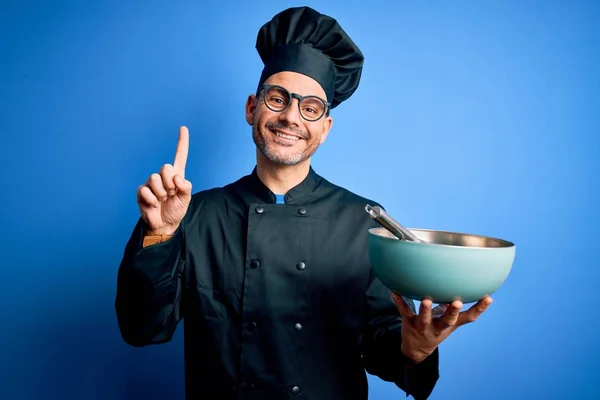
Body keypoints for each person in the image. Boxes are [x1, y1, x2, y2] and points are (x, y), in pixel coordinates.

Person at [115, 6, 493, 400]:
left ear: (324, 128)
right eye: (277, 98)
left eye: (310, 108)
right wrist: (159, 234)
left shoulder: (364, 222)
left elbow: (384, 345)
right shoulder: (194, 216)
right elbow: (143, 329)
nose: (291, 117)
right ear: (252, 108)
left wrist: (414, 346)